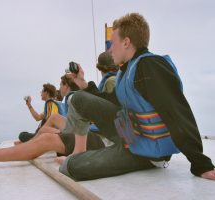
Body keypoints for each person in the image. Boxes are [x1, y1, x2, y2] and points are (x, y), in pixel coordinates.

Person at [57, 13, 215, 181]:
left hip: (148, 154)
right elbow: (110, 101)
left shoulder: (150, 66)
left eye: (113, 43)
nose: (110, 49)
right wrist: (82, 84)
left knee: (71, 167)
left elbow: (176, 111)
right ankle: (91, 150)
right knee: (79, 98)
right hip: (130, 137)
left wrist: (200, 163)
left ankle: (92, 155)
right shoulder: (127, 70)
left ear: (126, 42)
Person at [0, 76, 105, 167]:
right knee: (50, 123)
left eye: (61, 84)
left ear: (66, 86)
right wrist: (29, 105)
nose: (59, 88)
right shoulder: (66, 100)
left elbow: (86, 122)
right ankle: (31, 143)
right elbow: (41, 118)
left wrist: (56, 133)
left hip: (90, 139)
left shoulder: (62, 101)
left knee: (44, 136)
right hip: (84, 133)